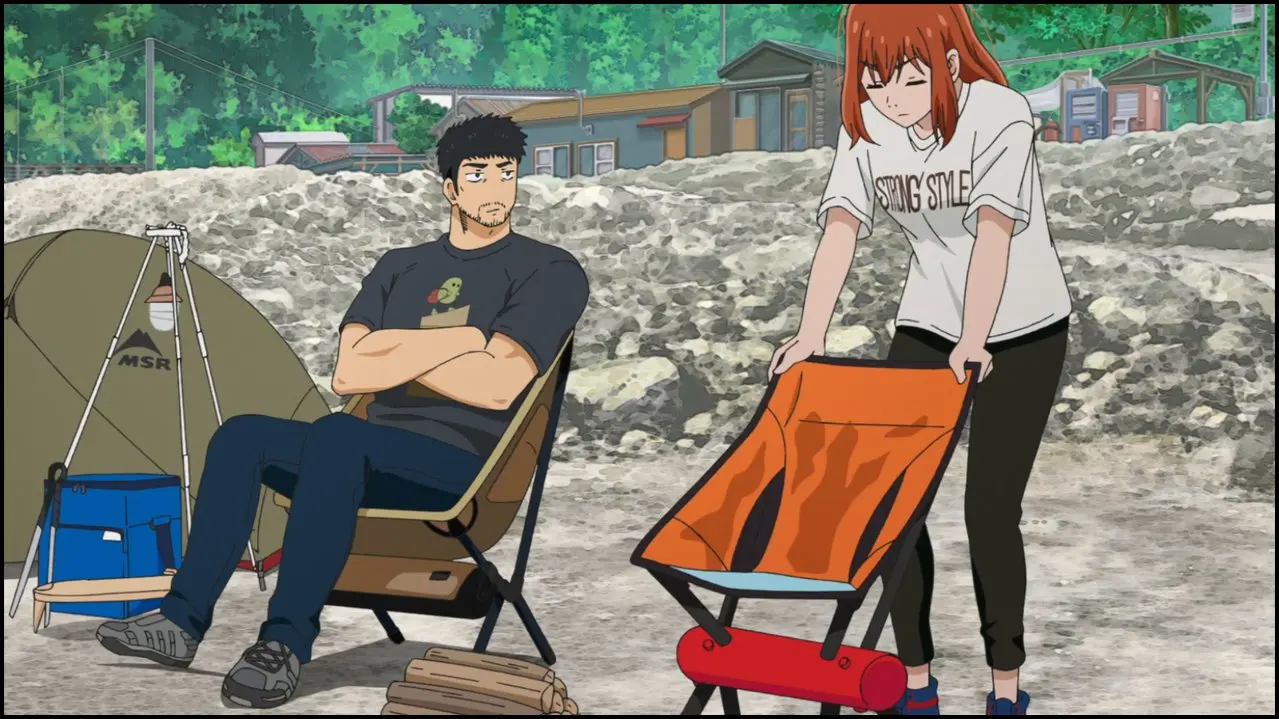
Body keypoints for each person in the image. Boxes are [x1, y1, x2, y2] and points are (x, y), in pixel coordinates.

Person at [95, 114, 590, 710]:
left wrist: (395, 353)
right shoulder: (400, 266)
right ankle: (181, 622)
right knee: (242, 437)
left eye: (506, 174)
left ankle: (283, 643)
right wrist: (462, 341)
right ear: (450, 187)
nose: (495, 189)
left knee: (336, 435)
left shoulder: (547, 270)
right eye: (478, 174)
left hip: (465, 466)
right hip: (361, 456)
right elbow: (349, 373)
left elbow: (496, 385)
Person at [768, 4, 1071, 716]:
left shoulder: (999, 114)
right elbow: (842, 228)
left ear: (949, 63)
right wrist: (811, 333)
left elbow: (993, 232)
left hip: (1022, 326)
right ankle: (914, 679)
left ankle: (1004, 685)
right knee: (889, 505)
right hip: (927, 321)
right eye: (873, 81)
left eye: (909, 78)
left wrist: (976, 337)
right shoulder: (867, 125)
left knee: (987, 511)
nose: (892, 98)